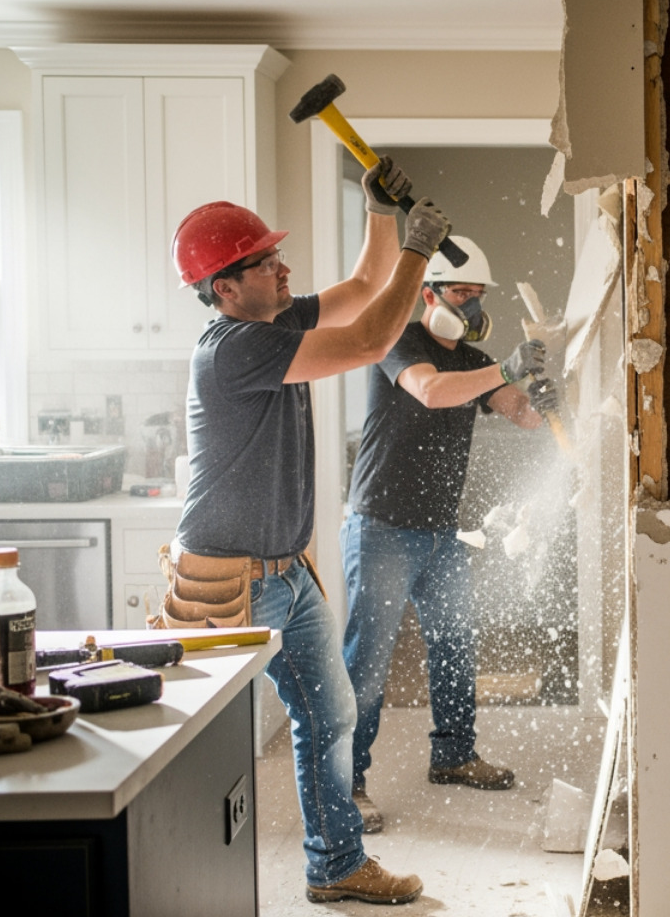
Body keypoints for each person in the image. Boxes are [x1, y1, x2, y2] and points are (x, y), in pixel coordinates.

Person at [167, 157, 452, 905]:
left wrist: (382, 213)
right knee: (195, 754)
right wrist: (419, 251)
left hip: (284, 576)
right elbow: (366, 340)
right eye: (266, 263)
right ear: (225, 287)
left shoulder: (272, 320)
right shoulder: (234, 349)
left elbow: (360, 292)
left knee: (330, 716)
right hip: (226, 583)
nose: (283, 267)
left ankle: (336, 867)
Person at [341, 237, 558, 833]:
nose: (470, 305)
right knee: (367, 664)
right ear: (429, 293)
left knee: (455, 646)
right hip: (381, 527)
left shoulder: (471, 358)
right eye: (461, 293)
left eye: (477, 295)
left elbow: (514, 406)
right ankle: (348, 784)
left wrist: (539, 401)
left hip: (442, 532)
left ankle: (455, 754)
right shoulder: (396, 341)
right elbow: (431, 391)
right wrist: (506, 368)